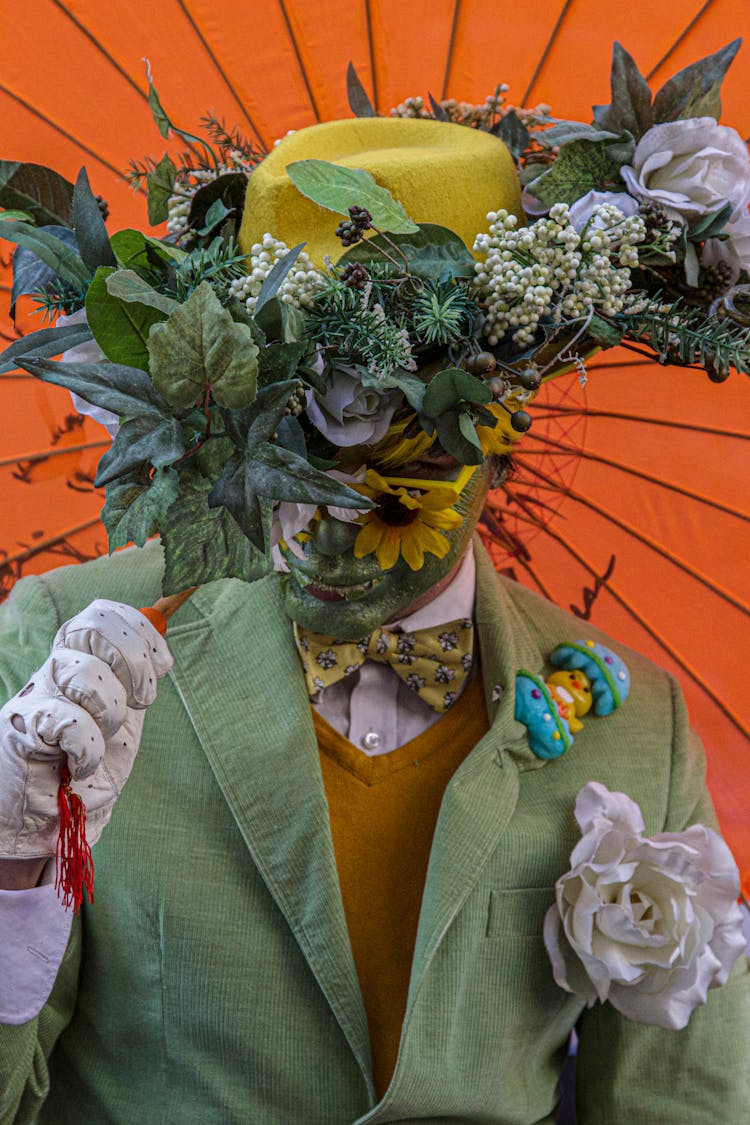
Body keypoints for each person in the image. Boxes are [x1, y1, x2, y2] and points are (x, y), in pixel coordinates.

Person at [0, 116, 748, 1125]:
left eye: (400, 465)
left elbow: (687, 1105)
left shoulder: (634, 726)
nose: (321, 526)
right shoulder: (64, 646)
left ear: (503, 433)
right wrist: (13, 872)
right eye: (287, 443)